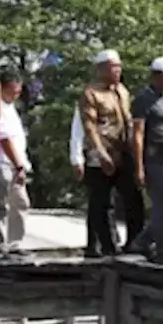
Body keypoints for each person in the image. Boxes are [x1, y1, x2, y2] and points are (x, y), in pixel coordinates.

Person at [79, 49, 143, 255]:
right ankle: (107, 246)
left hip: (124, 151)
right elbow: (90, 127)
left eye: (119, 66)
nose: (117, 70)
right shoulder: (91, 93)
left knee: (133, 197)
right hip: (103, 152)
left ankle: (134, 241)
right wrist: (100, 153)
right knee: (102, 202)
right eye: (113, 67)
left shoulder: (122, 91)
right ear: (101, 69)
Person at [127, 57, 163, 264]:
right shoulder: (143, 99)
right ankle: (162, 252)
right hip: (156, 159)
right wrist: (139, 166)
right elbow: (138, 133)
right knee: (161, 207)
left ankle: (143, 240)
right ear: (157, 76)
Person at [0, 69, 32, 257]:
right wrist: (17, 163)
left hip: (16, 163)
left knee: (20, 202)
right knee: (1, 205)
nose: (16, 93)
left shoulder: (11, 108)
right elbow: (3, 138)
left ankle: (15, 242)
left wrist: (22, 164)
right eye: (12, 89)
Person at [69, 108, 102, 257]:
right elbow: (77, 132)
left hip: (115, 156)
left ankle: (109, 241)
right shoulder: (89, 99)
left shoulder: (119, 94)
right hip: (94, 157)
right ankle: (94, 244)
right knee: (97, 202)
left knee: (109, 203)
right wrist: (77, 160)